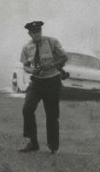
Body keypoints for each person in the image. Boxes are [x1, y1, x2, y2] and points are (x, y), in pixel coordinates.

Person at [19, 21, 69, 154]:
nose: (36, 35)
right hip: (36, 82)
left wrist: (52, 65)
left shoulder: (52, 42)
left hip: (52, 81)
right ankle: (33, 142)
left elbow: (64, 57)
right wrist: (31, 70)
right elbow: (25, 64)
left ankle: (53, 146)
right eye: (33, 33)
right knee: (27, 109)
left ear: (41, 31)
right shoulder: (27, 47)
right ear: (29, 33)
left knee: (52, 115)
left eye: (38, 32)